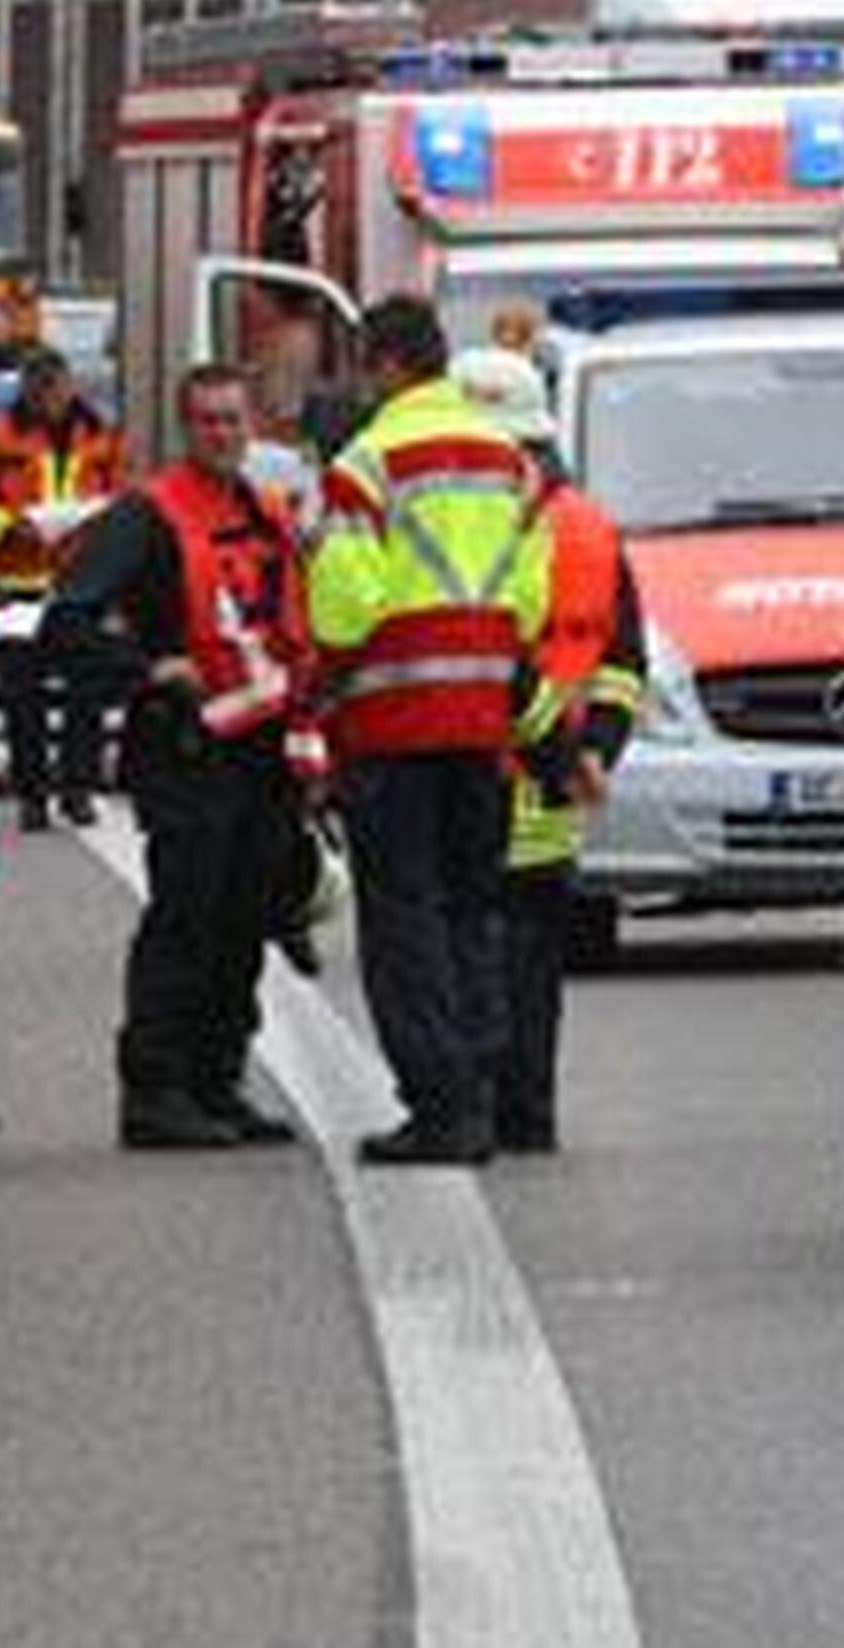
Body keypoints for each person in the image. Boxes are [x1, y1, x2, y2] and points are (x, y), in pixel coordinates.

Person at [42, 361, 318, 1150]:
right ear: (184, 427)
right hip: (186, 749)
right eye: (207, 421)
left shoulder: (265, 513)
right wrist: (148, 671)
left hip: (261, 751)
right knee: (185, 923)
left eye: (234, 420)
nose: (223, 434)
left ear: (252, 426)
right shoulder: (145, 516)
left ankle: (217, 1080)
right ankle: (155, 1091)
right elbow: (69, 620)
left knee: (245, 924)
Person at [309, 296, 551, 1167]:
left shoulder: (364, 464)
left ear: (381, 364)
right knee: (474, 911)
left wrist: (323, 676)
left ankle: (438, 1108)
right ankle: (480, 1095)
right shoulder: (508, 460)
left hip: (394, 721)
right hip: (483, 719)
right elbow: (531, 591)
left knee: (403, 921)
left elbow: (344, 607)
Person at [453, 347, 645, 1157]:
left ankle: (478, 1113)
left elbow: (618, 663)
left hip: (472, 778)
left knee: (471, 961)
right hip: (547, 790)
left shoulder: (455, 525)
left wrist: (583, 748)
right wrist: (591, 748)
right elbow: (623, 665)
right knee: (527, 971)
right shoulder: (591, 528)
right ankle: (522, 1117)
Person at [0, 345, 130, 831]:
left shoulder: (99, 435)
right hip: (16, 586)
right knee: (21, 695)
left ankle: (78, 787)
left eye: (53, 390)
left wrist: (96, 528)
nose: (47, 400)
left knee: (87, 688)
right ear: (27, 392)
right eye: (38, 391)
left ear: (68, 388)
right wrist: (10, 527)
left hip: (79, 586)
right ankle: (32, 795)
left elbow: (119, 501)